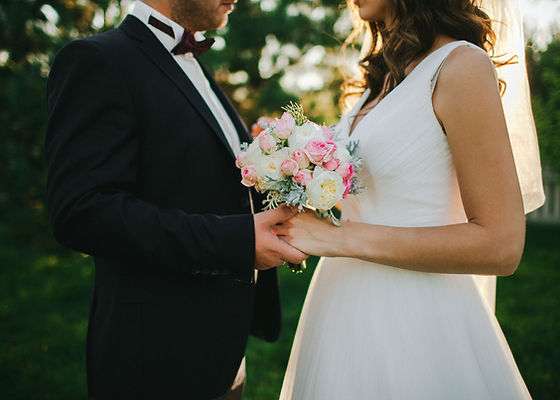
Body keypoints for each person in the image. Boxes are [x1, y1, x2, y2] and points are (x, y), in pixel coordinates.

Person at [277, 0, 541, 398]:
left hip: (417, 315)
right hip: (339, 306)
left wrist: (336, 237)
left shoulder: (460, 66)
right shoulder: (380, 81)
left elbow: (501, 245)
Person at [45, 0, 307, 399]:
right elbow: (82, 211)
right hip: (156, 360)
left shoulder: (190, 62)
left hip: (221, 353)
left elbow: (196, 175)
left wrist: (277, 168)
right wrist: (238, 241)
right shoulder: (97, 60)